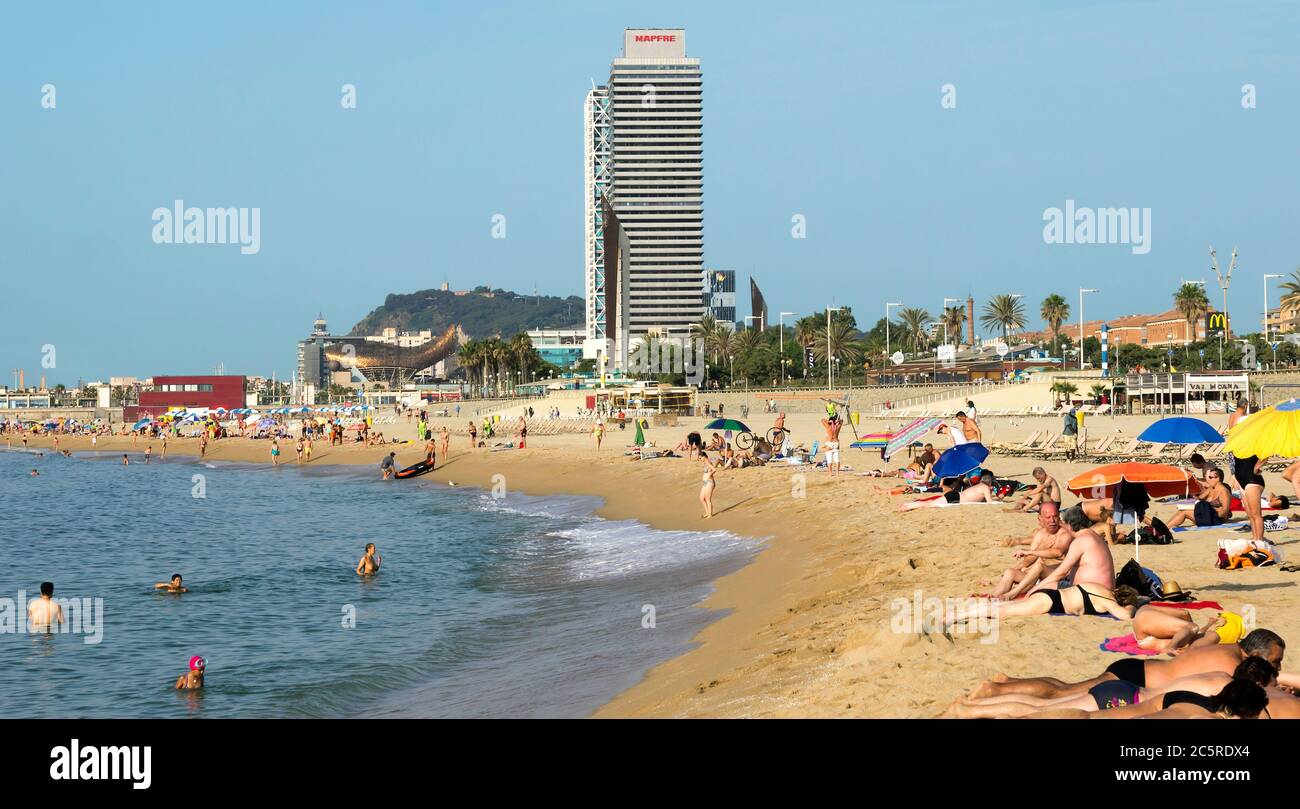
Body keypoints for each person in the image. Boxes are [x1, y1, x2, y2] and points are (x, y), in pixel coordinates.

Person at [966, 628, 1285, 701]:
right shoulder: (1232, 664)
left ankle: (1009, 681)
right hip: (1137, 678)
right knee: (1060, 696)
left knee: (1066, 687)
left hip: (1137, 670)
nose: (1277, 667)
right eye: (1276, 661)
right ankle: (995, 690)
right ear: (1255, 656)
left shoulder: (1226, 647)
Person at [947, 583, 1139, 627]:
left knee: (1001, 608)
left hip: (1048, 593)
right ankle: (954, 616)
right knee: (1002, 612)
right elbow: (1125, 616)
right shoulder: (1108, 600)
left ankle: (962, 610)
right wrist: (1132, 607)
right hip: (1050, 603)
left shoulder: (1100, 587)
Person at [1228, 399, 1267, 542]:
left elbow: (1267, 452)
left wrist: (1258, 465)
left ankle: (1260, 540)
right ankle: (1255, 538)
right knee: (1250, 513)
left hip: (1252, 479)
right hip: (1242, 478)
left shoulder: (1255, 441)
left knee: (1256, 514)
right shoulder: (1238, 442)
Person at [1166, 466, 1232, 528]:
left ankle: (1165, 528)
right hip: (1206, 515)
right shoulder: (1211, 488)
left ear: (1218, 478)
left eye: (1210, 477)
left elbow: (1225, 512)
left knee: (1185, 512)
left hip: (1216, 519)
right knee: (1183, 511)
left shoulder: (1224, 492)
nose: (1208, 479)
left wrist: (1210, 512)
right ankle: (1165, 527)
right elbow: (1199, 498)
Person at [699, 452, 717, 519]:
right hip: (705, 483)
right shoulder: (706, 462)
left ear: (704, 456)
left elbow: (714, 469)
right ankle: (707, 512)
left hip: (710, 482)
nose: (700, 459)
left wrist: (710, 474)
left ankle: (710, 514)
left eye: (700, 458)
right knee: (701, 498)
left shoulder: (708, 462)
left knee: (707, 499)